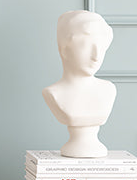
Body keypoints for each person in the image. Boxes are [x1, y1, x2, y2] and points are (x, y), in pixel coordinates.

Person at [42, 10, 116, 158]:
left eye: (101, 48)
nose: (96, 56)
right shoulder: (53, 94)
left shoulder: (108, 90)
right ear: (64, 49)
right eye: (86, 46)